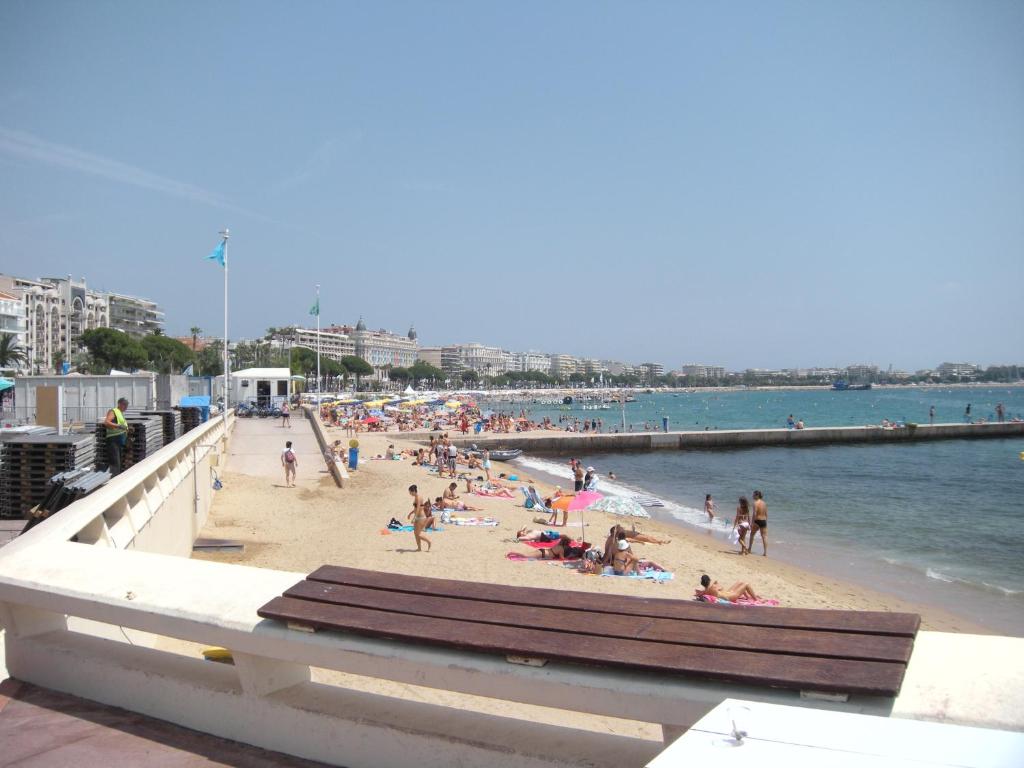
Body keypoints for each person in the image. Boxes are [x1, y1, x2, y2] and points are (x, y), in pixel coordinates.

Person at [103, 397, 130, 476]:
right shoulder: (113, 411)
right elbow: (106, 422)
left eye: (127, 405)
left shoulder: (120, 413)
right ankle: (114, 480)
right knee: (115, 462)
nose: (126, 407)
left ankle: (116, 477)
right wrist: (118, 426)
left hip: (119, 441)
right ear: (119, 404)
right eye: (124, 405)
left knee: (119, 462)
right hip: (113, 440)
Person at [407, 485, 432, 552]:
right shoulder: (416, 497)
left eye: (410, 492)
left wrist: (414, 518)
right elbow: (417, 508)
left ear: (414, 491)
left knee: (418, 534)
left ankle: (429, 541)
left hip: (420, 517)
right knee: (415, 534)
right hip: (418, 516)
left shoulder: (418, 497)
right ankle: (419, 548)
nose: (410, 494)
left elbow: (418, 508)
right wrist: (410, 513)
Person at [750, 489, 768, 556]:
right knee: (764, 537)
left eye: (754, 494)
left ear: (757, 495)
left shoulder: (755, 503)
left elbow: (754, 513)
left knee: (752, 534)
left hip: (757, 520)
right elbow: (766, 514)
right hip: (763, 521)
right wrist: (766, 521)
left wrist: (752, 522)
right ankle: (765, 552)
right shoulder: (764, 503)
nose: (752, 496)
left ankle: (749, 549)